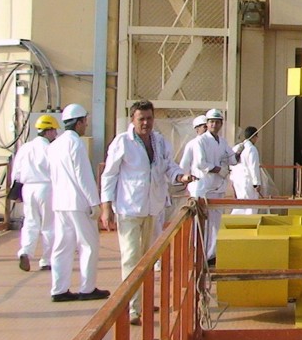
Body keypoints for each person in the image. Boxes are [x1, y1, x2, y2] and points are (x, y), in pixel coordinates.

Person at [100, 100, 193, 325]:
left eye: (149, 118)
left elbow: (168, 166)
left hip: (153, 208)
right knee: (131, 258)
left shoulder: (159, 142)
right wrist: (106, 207)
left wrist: (181, 176)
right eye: (141, 119)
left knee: (150, 259)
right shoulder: (122, 143)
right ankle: (132, 308)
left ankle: (143, 300)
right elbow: (109, 175)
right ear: (132, 119)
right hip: (129, 208)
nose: (145, 123)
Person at [48, 103, 107, 302]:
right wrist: (95, 203)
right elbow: (83, 175)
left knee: (62, 246)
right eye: (85, 121)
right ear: (79, 122)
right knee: (89, 245)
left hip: (60, 203)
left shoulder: (55, 144)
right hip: (78, 203)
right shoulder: (76, 143)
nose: (86, 125)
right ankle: (87, 288)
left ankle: (59, 289)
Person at [183, 109, 238, 262]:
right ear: (207, 124)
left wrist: (240, 150)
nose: (214, 124)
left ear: (221, 124)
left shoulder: (223, 142)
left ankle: (211, 255)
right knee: (201, 225)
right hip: (203, 189)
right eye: (211, 121)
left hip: (218, 189)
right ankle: (198, 255)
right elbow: (201, 163)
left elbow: (232, 159)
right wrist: (219, 170)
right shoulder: (200, 141)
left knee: (215, 224)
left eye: (217, 121)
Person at [11, 114, 59, 272]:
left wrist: (16, 191)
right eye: (54, 131)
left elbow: (16, 171)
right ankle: (46, 260)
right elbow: (56, 171)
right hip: (46, 187)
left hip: (28, 188)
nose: (56, 134)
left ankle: (25, 251)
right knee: (48, 225)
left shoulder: (25, 147)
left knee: (30, 223)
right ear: (48, 131)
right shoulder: (50, 149)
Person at [231, 126, 262, 214]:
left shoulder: (236, 148)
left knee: (241, 202)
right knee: (250, 204)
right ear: (254, 137)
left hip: (237, 181)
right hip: (248, 181)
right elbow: (253, 167)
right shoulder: (252, 149)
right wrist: (256, 183)